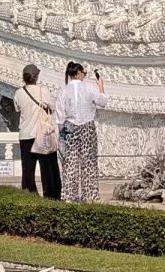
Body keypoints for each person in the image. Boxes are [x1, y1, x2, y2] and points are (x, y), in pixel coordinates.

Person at [55, 62, 108, 203]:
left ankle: (69, 196)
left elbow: (59, 117)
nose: (84, 74)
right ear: (78, 73)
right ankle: (90, 196)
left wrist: (62, 136)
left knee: (69, 162)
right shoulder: (90, 87)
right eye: (83, 72)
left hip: (69, 127)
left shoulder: (64, 90)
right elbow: (102, 102)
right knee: (88, 162)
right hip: (87, 127)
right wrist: (101, 86)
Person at [15, 63, 60, 199]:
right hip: (41, 134)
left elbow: (17, 109)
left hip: (25, 135)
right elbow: (54, 106)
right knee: (48, 167)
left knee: (28, 169)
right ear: (36, 77)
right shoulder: (43, 91)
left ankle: (29, 195)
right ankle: (51, 195)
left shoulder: (18, 93)